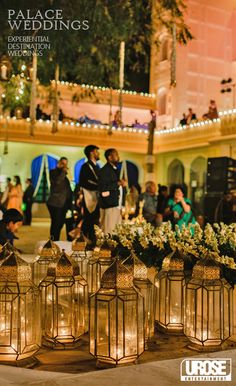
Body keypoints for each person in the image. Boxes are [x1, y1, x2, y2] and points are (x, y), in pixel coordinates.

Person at [98, 148, 127, 234]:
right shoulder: (105, 170)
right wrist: (118, 183)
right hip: (110, 204)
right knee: (108, 230)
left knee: (115, 230)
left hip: (116, 204)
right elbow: (103, 188)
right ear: (110, 157)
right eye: (116, 155)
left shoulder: (114, 169)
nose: (118, 157)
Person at [47, 157, 72, 241]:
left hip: (64, 204)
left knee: (61, 224)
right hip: (55, 203)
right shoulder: (53, 172)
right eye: (63, 163)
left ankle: (56, 241)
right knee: (56, 224)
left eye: (66, 163)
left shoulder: (65, 176)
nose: (65, 165)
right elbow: (57, 182)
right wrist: (63, 172)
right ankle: (53, 242)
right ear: (58, 163)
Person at [79, 145, 100, 246]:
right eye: (96, 151)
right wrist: (98, 186)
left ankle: (92, 241)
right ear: (91, 153)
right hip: (89, 196)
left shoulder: (97, 166)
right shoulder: (85, 166)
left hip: (97, 196)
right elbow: (84, 182)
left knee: (94, 220)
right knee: (89, 219)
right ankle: (83, 240)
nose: (98, 153)